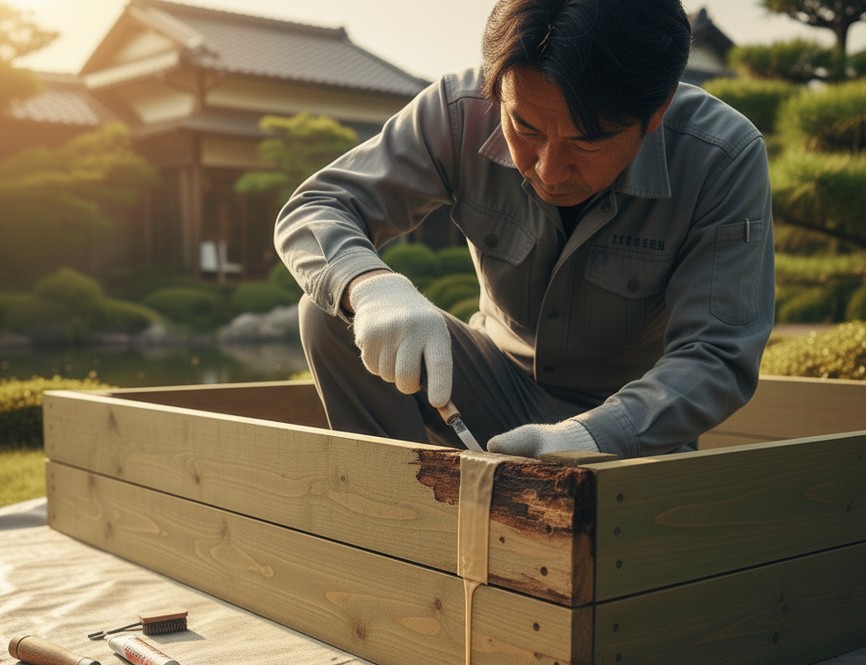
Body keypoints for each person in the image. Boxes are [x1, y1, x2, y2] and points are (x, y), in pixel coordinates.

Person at [273, 0, 775, 459]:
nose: (548, 170)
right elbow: (318, 205)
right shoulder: (460, 111)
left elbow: (717, 353)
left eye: (587, 142)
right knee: (331, 310)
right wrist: (371, 287)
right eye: (525, 129)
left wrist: (596, 435)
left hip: (630, 429)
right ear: (497, 90)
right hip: (487, 388)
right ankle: (397, 510)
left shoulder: (721, 157)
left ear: (657, 110)